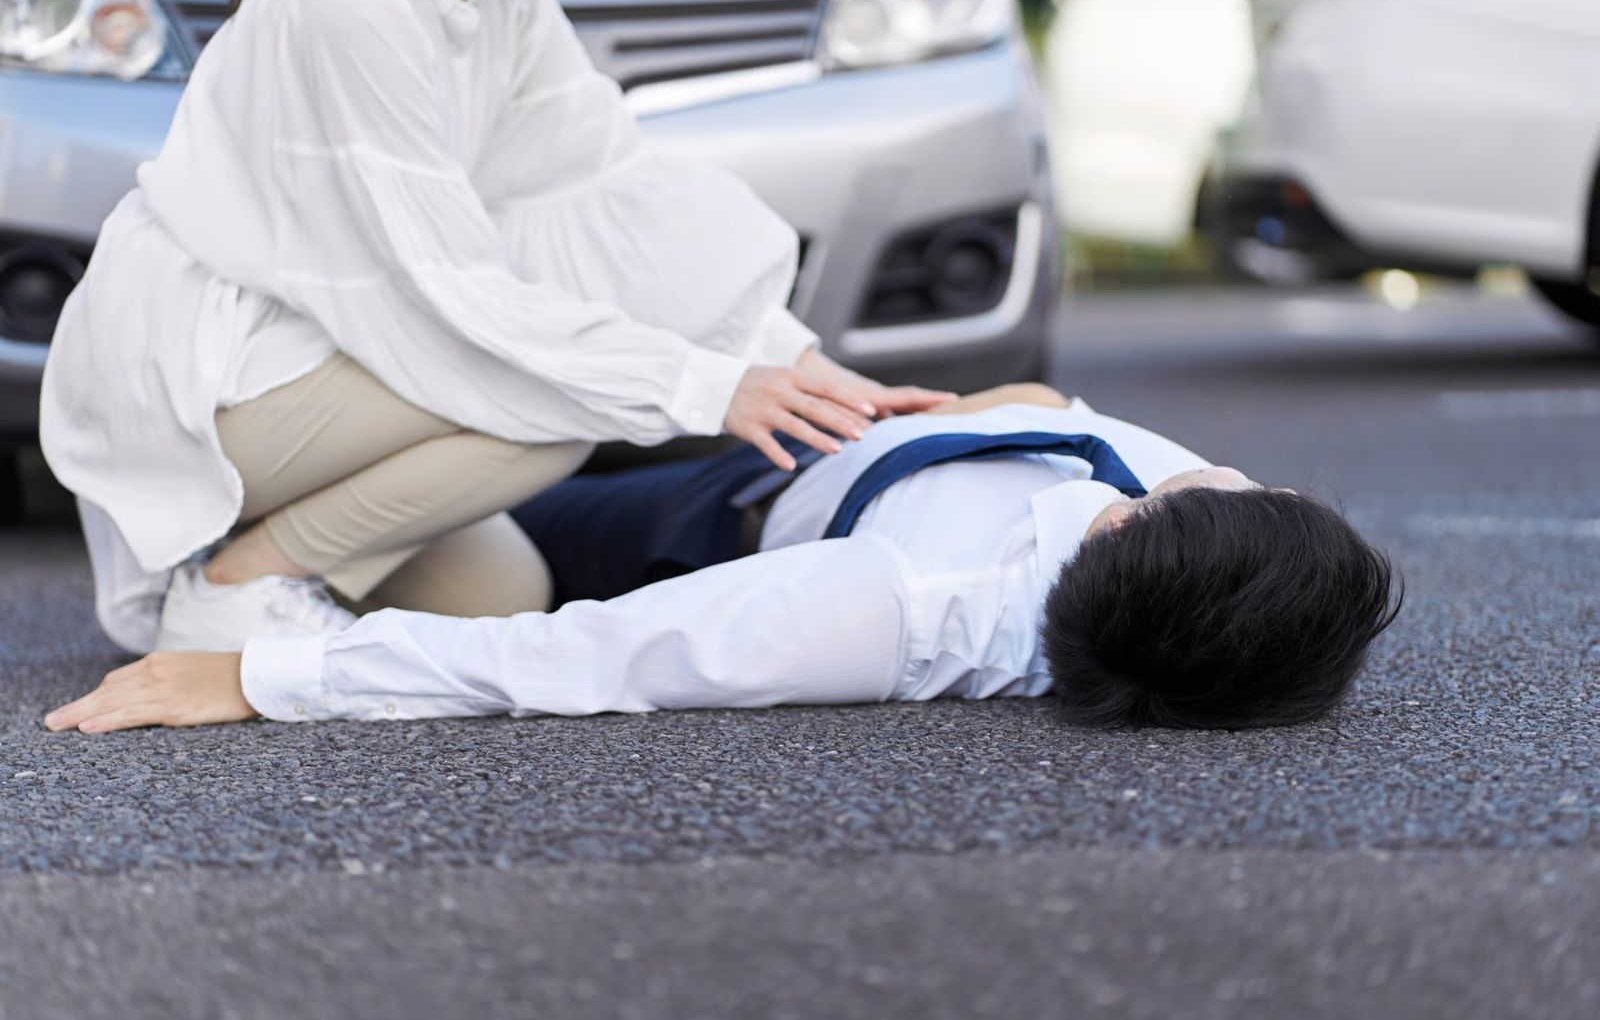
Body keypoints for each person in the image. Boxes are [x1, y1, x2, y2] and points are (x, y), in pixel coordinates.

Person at [38, 0, 948, 657]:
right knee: (556, 403)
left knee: (499, 593)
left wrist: (794, 364)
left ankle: (239, 568)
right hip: (213, 378)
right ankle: (239, 577)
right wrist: (699, 382)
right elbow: (438, 292)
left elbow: (601, 188)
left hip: (328, 358)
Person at [44, 386, 1402, 735]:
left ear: (1121, 537)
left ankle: (205, 509)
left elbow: (577, 658)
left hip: (713, 519)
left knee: (470, 499)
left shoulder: (878, 612)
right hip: (840, 426)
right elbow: (1086, 429)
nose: (1229, 469)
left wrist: (260, 676)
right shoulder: (1188, 527)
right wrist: (1004, 399)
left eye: (1236, 490)